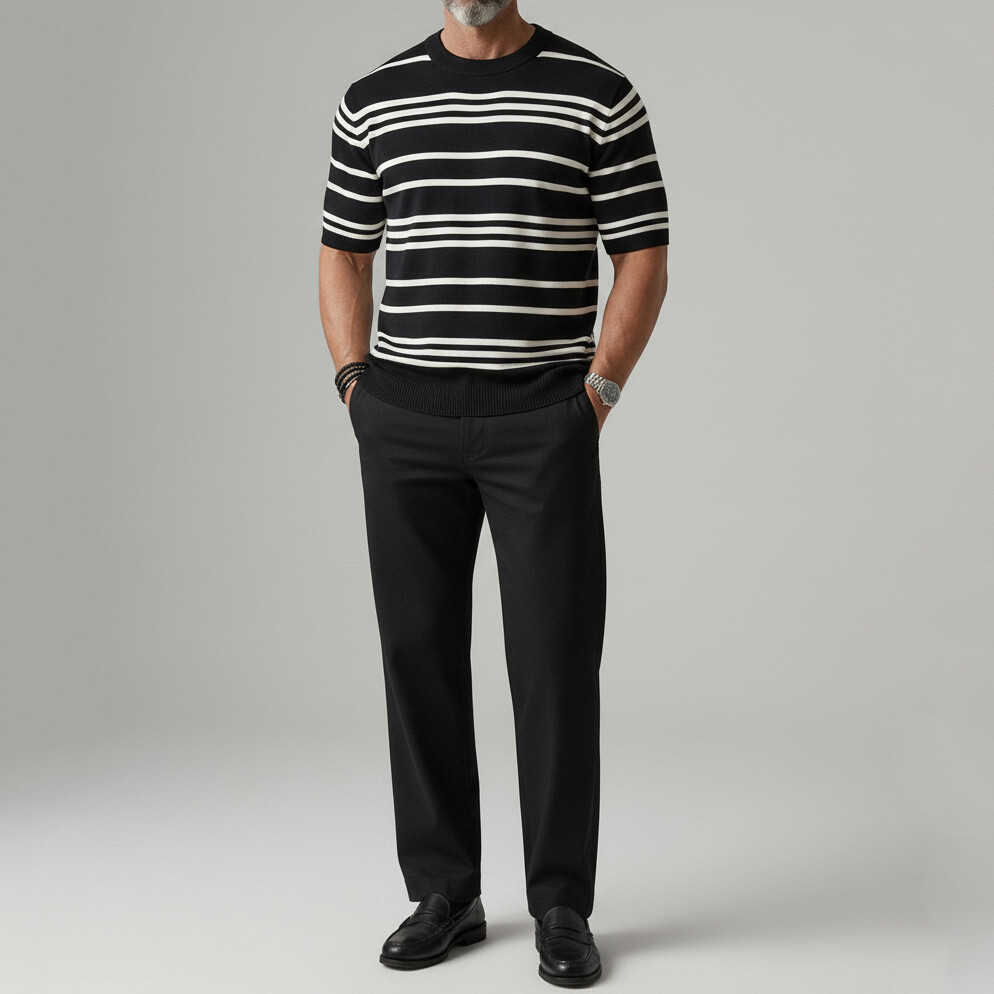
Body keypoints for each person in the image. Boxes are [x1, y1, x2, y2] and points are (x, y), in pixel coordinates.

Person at [317, 0, 668, 985]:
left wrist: (596, 394)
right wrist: (355, 387)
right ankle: (444, 891)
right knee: (416, 652)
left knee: (554, 658)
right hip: (404, 419)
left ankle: (560, 904)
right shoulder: (373, 100)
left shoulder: (597, 94)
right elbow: (345, 249)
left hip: (540, 421)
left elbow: (642, 251)